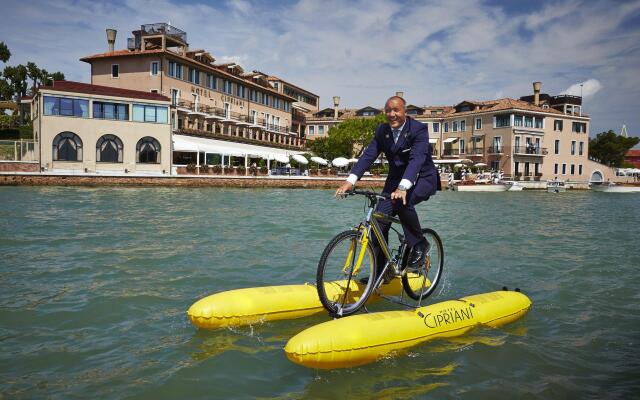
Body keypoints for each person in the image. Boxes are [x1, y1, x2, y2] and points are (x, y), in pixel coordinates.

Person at [335, 96, 438, 276]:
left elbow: (416, 160)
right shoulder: (383, 131)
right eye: (388, 110)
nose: (392, 114)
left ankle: (420, 243)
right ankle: (383, 272)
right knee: (378, 223)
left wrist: (403, 187)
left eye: (396, 110)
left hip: (422, 177)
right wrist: (349, 182)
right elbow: (368, 156)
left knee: (400, 201)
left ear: (405, 111)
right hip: (394, 182)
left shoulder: (418, 129)